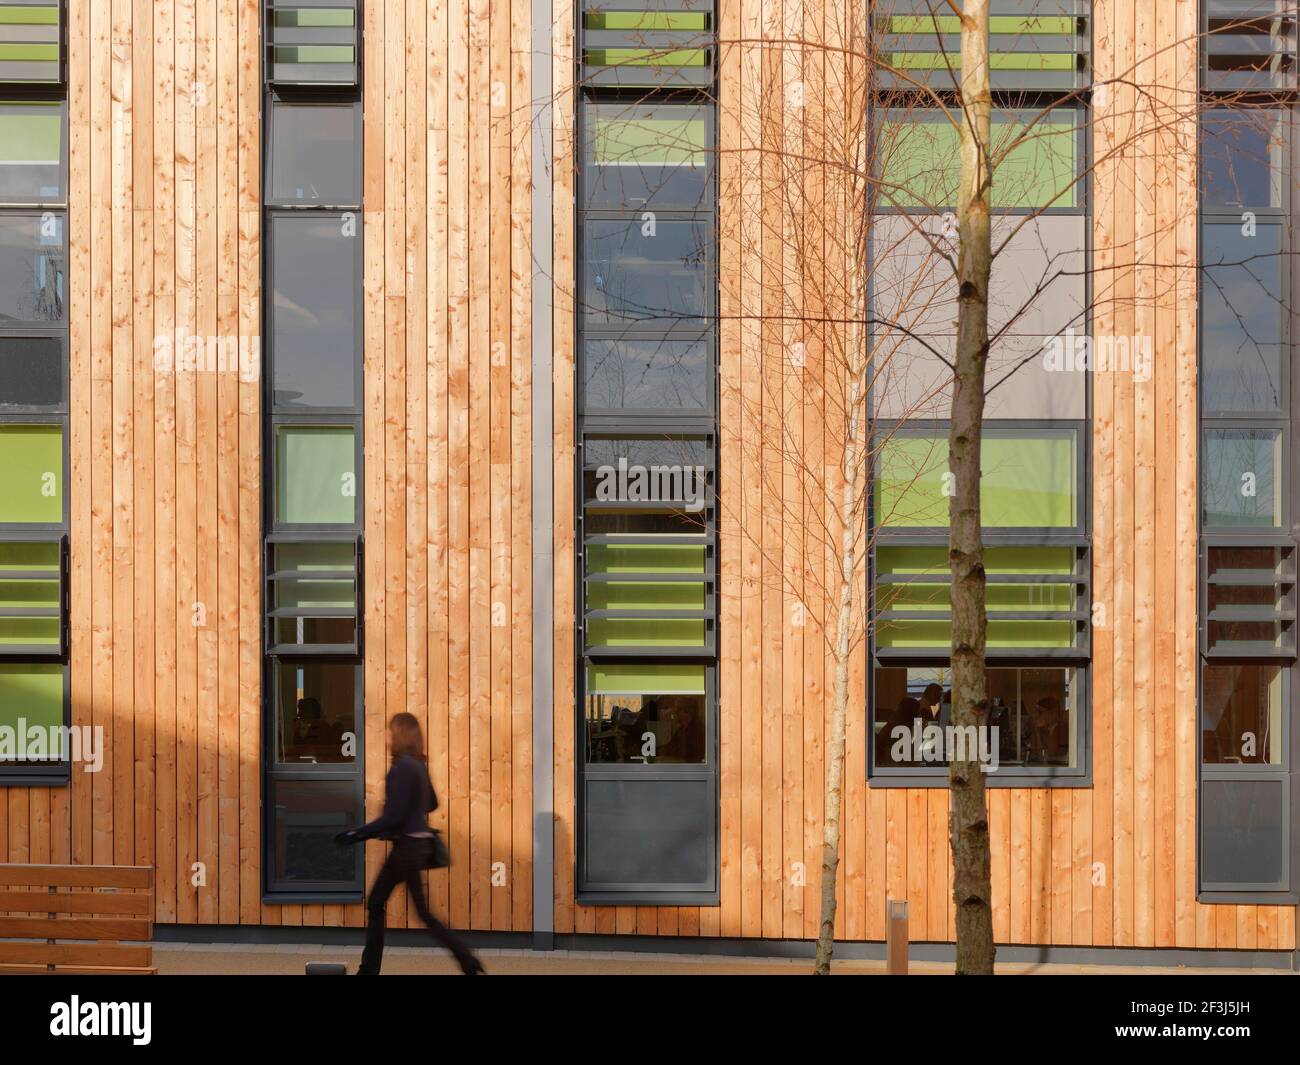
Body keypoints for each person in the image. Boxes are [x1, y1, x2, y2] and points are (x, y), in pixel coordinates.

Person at [335, 712, 484, 976]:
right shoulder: (417, 765)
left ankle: (368, 970)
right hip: (417, 846)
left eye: (392, 732)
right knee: (423, 912)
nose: (389, 736)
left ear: (398, 735)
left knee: (376, 902)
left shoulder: (402, 767)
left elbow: (394, 816)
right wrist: (411, 807)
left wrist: (357, 833)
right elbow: (432, 804)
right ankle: (467, 960)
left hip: (406, 848)